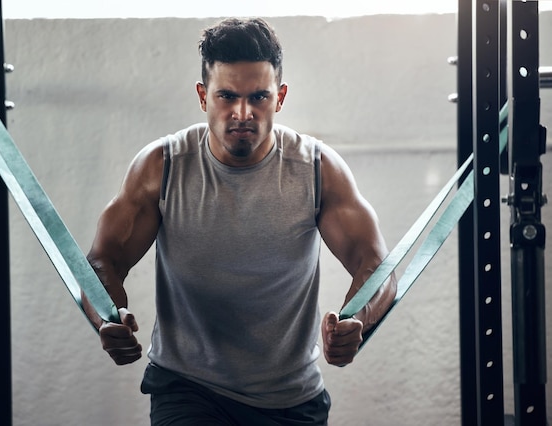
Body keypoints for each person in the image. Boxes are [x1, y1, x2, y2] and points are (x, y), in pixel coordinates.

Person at [82, 17, 397, 425]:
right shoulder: (163, 166)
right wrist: (107, 317)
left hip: (290, 397)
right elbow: (104, 260)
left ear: (280, 98)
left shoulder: (316, 168)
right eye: (227, 96)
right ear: (203, 96)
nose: (242, 112)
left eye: (259, 97)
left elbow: (376, 265)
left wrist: (358, 318)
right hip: (187, 390)